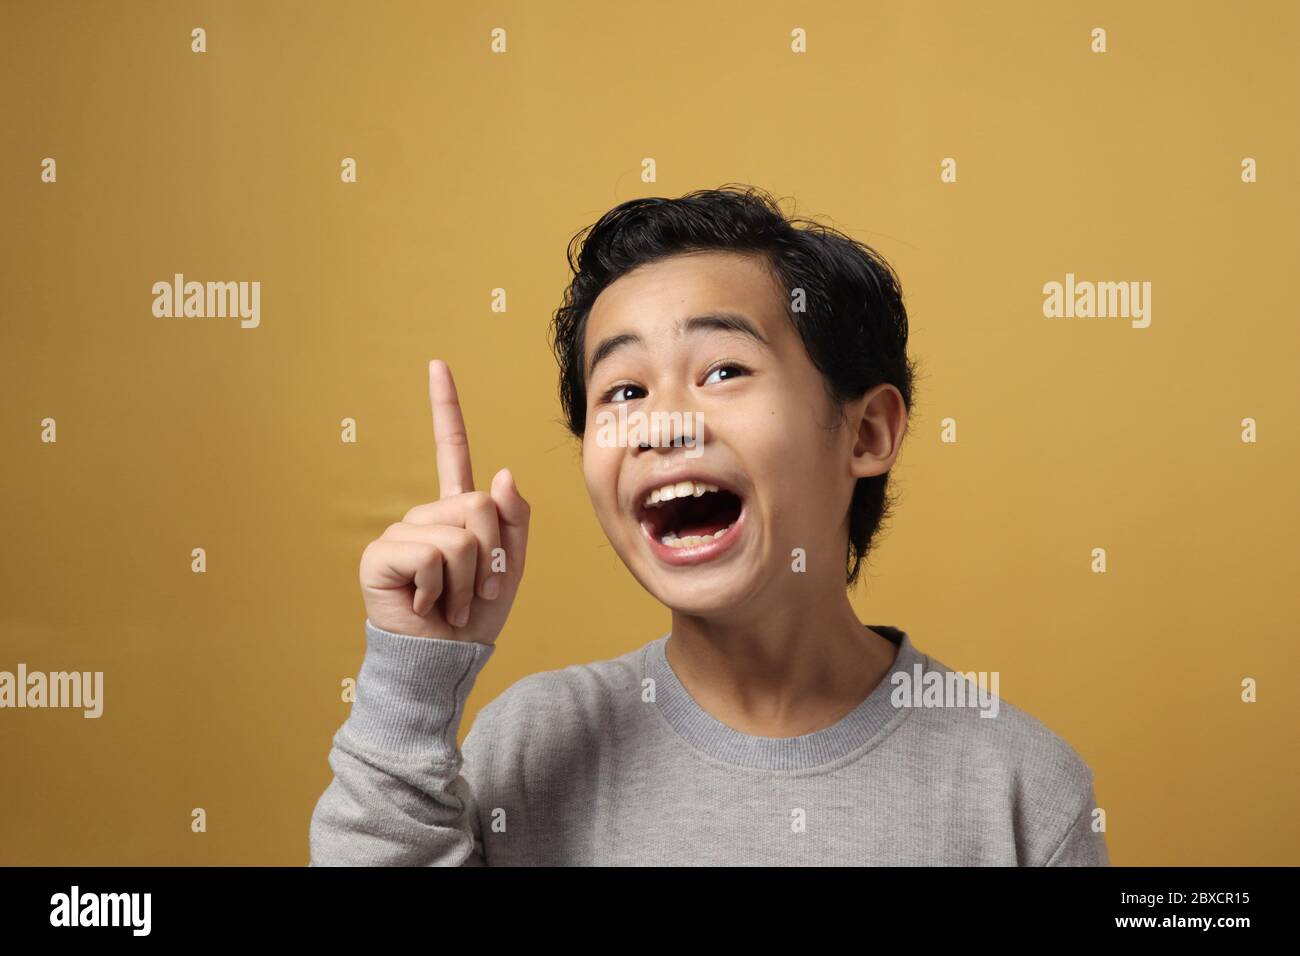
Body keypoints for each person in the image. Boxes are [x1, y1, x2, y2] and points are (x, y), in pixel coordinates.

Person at [308, 185, 1110, 866]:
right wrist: (412, 679)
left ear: (865, 433)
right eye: (622, 392)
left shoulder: (1021, 789)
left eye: (724, 370)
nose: (664, 426)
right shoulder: (533, 742)